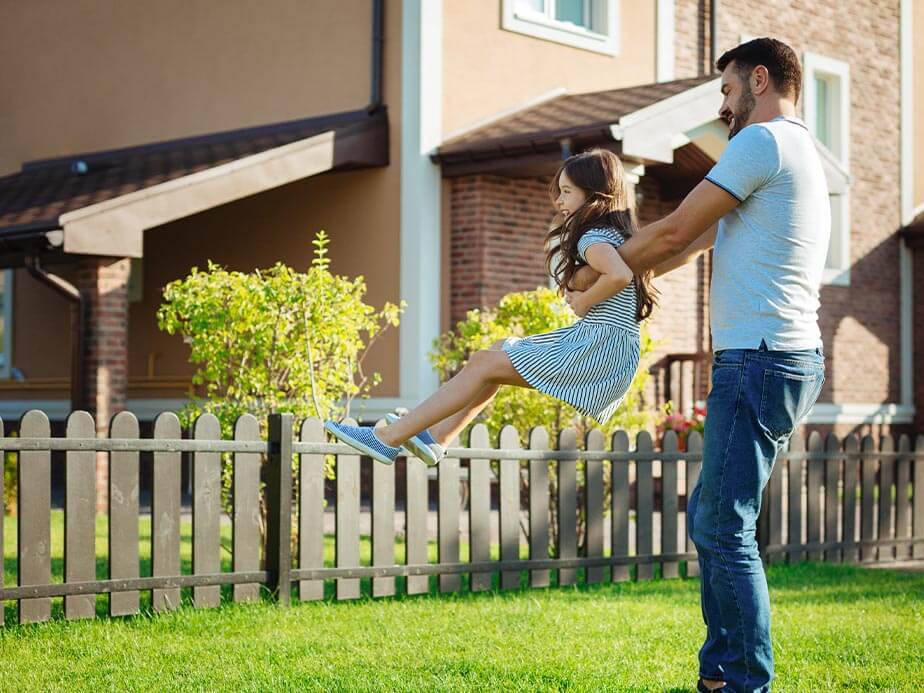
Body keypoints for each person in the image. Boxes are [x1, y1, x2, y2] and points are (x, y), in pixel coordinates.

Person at [578, 38, 828, 693]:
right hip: (784, 356)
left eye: (727, 90)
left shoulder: (762, 141)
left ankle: (744, 681)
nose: (722, 106)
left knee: (723, 524)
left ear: (760, 80)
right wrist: (624, 282)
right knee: (717, 519)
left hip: (759, 358)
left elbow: (673, 230)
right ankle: (719, 674)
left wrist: (589, 281)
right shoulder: (798, 149)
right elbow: (689, 245)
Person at [324, 148, 656, 467]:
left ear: (594, 194)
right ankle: (438, 437)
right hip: (609, 347)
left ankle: (388, 437)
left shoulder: (592, 237)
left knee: (485, 362)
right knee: (498, 351)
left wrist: (584, 300)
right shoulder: (615, 235)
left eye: (567, 192)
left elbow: (619, 275)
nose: (559, 201)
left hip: (599, 347)